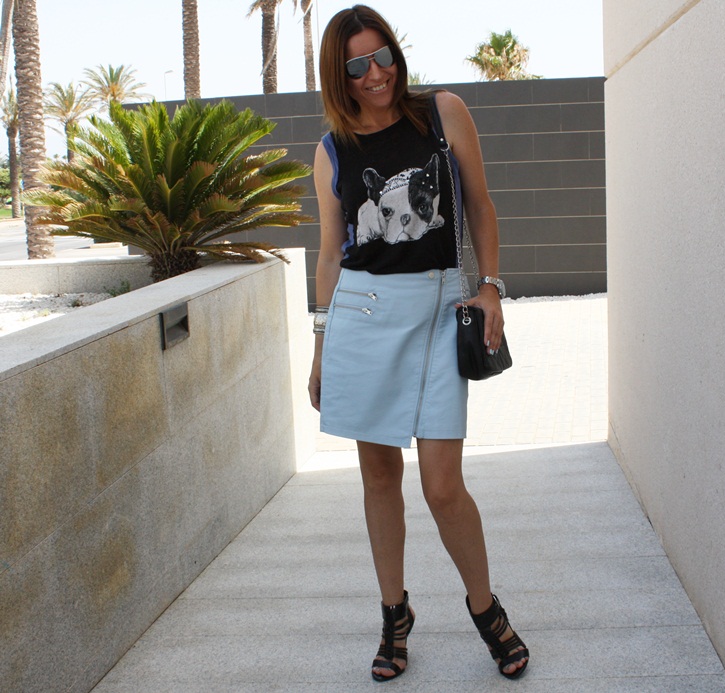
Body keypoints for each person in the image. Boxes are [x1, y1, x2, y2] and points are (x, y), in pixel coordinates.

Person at [307, 4, 529, 683]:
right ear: (338, 75)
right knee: (379, 477)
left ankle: (486, 608)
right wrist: (320, 343)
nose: (375, 73)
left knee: (441, 485)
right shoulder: (332, 150)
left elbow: (481, 204)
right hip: (362, 315)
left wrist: (489, 287)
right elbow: (330, 251)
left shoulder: (442, 114)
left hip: (437, 310)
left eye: (383, 56)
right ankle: (394, 614)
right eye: (357, 65)